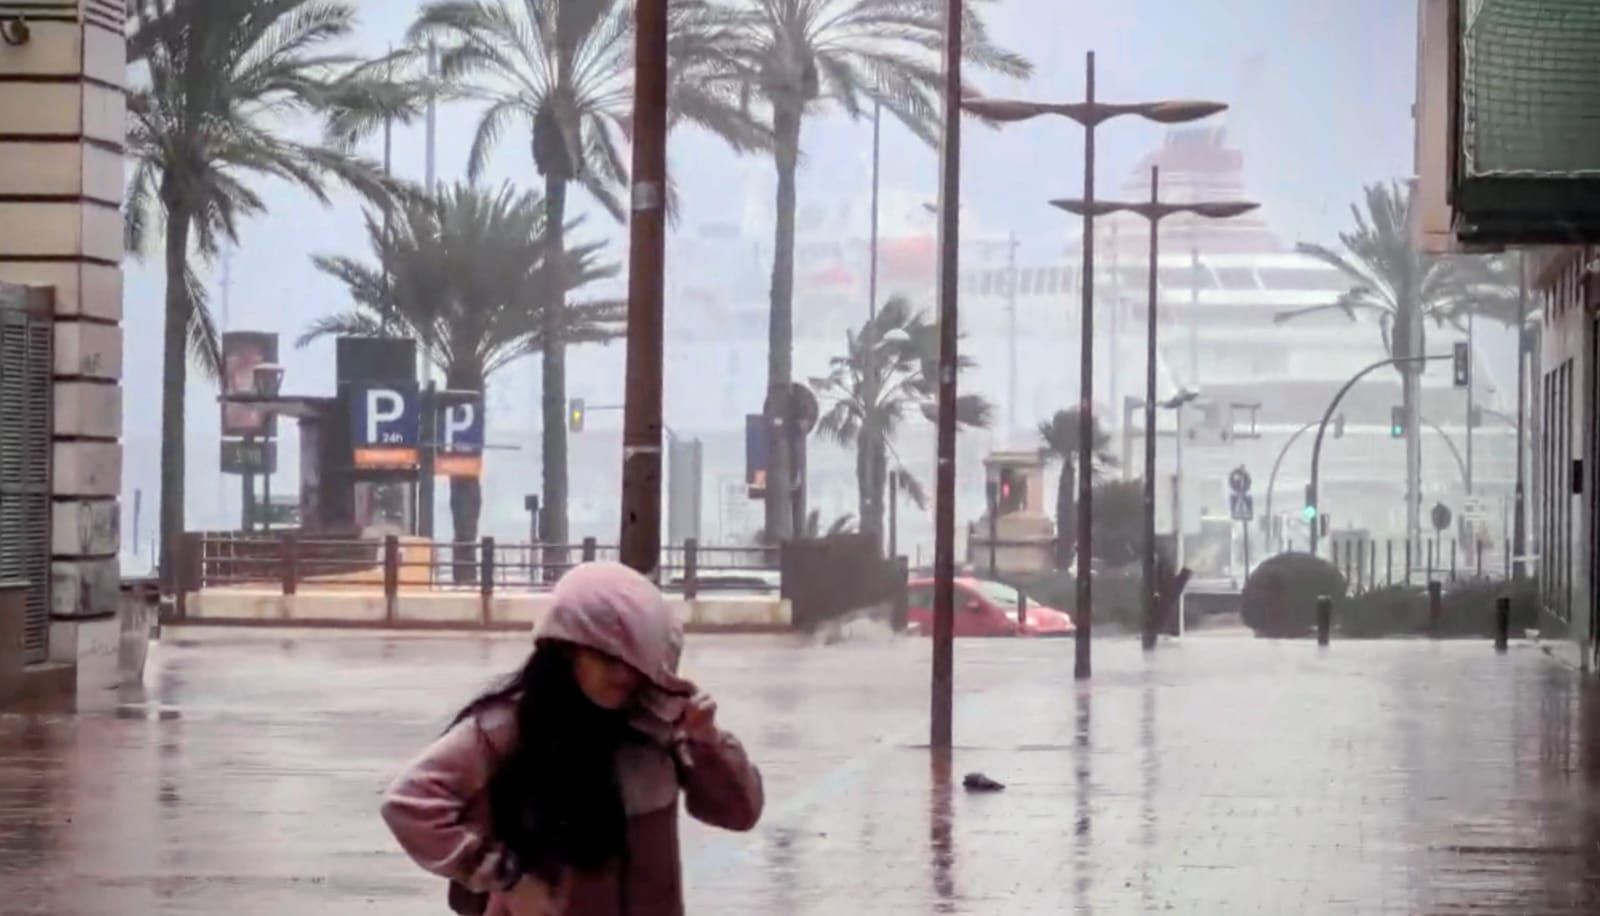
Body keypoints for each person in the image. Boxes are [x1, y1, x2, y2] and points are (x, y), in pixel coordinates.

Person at [381, 562, 763, 915]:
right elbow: (409, 803)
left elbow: (740, 812)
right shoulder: (504, 730)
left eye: (634, 665)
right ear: (565, 649)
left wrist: (708, 742)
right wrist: (504, 877)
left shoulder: (659, 730)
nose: (623, 676)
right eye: (607, 659)